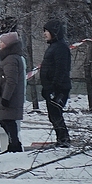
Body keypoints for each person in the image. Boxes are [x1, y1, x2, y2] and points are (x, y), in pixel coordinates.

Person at [37, 19, 73, 147]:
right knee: (53, 115)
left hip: (59, 88)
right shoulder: (53, 47)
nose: (44, 34)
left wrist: (53, 87)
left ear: (54, 32)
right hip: (51, 87)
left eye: (47, 31)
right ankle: (61, 139)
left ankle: (64, 139)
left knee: (56, 114)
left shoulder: (60, 47)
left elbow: (61, 69)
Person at [0, 31, 27, 154]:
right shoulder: (9, 58)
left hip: (9, 97)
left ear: (8, 45)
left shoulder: (10, 59)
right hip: (6, 96)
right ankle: (13, 143)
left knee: (7, 120)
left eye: (1, 43)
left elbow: (11, 81)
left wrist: (5, 97)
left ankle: (14, 144)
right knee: (4, 119)